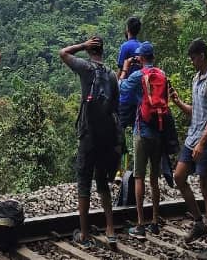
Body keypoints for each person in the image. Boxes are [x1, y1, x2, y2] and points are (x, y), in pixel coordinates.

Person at [60, 36, 119, 249]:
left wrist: (81, 45)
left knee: (84, 182)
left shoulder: (85, 68)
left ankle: (84, 233)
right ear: (103, 51)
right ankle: (111, 230)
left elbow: (63, 53)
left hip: (88, 135)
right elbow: (115, 108)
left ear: (90, 51)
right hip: (106, 137)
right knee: (103, 183)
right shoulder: (112, 75)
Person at [171, 39, 207, 260]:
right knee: (179, 177)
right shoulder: (196, 79)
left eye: (193, 57)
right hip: (192, 138)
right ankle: (198, 222)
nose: (192, 61)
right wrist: (178, 102)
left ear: (202, 55)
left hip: (206, 142)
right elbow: (197, 112)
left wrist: (203, 143)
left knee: (206, 189)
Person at [119, 41, 170, 237]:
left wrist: (124, 70)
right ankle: (155, 221)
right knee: (154, 179)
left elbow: (121, 88)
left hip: (141, 131)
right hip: (158, 131)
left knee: (139, 176)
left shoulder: (137, 75)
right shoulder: (162, 75)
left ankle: (141, 224)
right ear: (153, 57)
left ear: (140, 58)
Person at [117, 16, 142, 130]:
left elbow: (120, 69)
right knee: (137, 129)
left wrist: (115, 86)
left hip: (125, 96)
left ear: (127, 29)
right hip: (139, 97)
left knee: (119, 129)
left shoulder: (125, 46)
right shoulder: (142, 47)